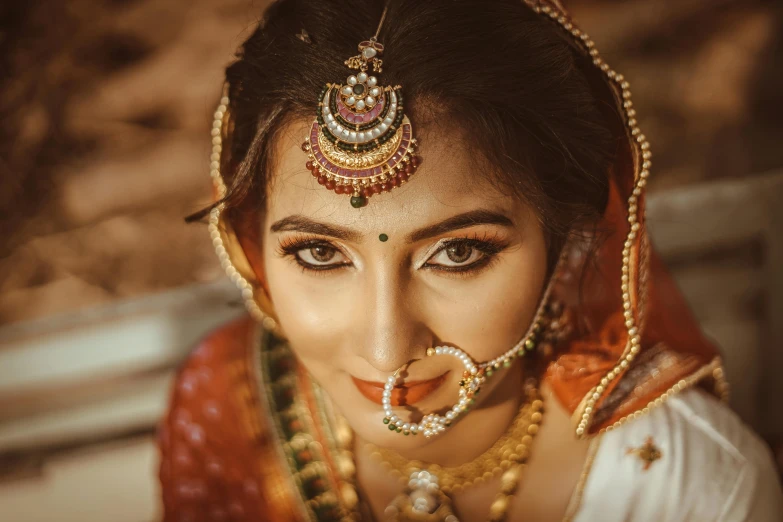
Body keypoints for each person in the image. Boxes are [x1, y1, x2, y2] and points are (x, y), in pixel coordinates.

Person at [157, 0, 783, 520]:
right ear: (250, 241)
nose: (385, 349)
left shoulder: (691, 489)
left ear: (567, 239)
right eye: (319, 252)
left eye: (458, 253)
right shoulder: (228, 408)